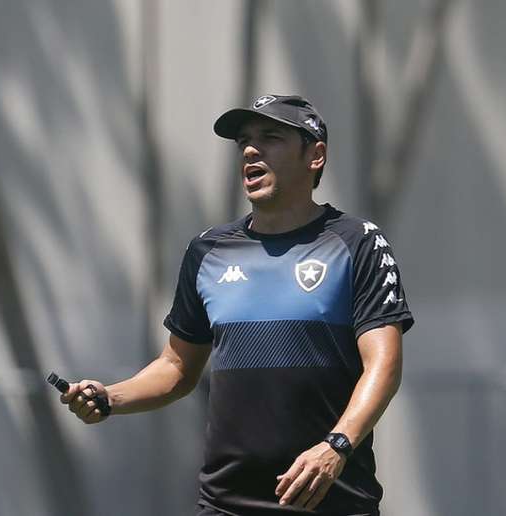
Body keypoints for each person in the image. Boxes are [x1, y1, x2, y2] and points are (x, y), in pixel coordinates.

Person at [61, 94, 414, 515]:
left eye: (271, 137)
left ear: (315, 156)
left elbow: (383, 365)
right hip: (226, 504)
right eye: (244, 140)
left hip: (332, 499)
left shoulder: (357, 242)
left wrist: (336, 446)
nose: (250, 149)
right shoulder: (208, 251)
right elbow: (176, 368)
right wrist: (110, 397)